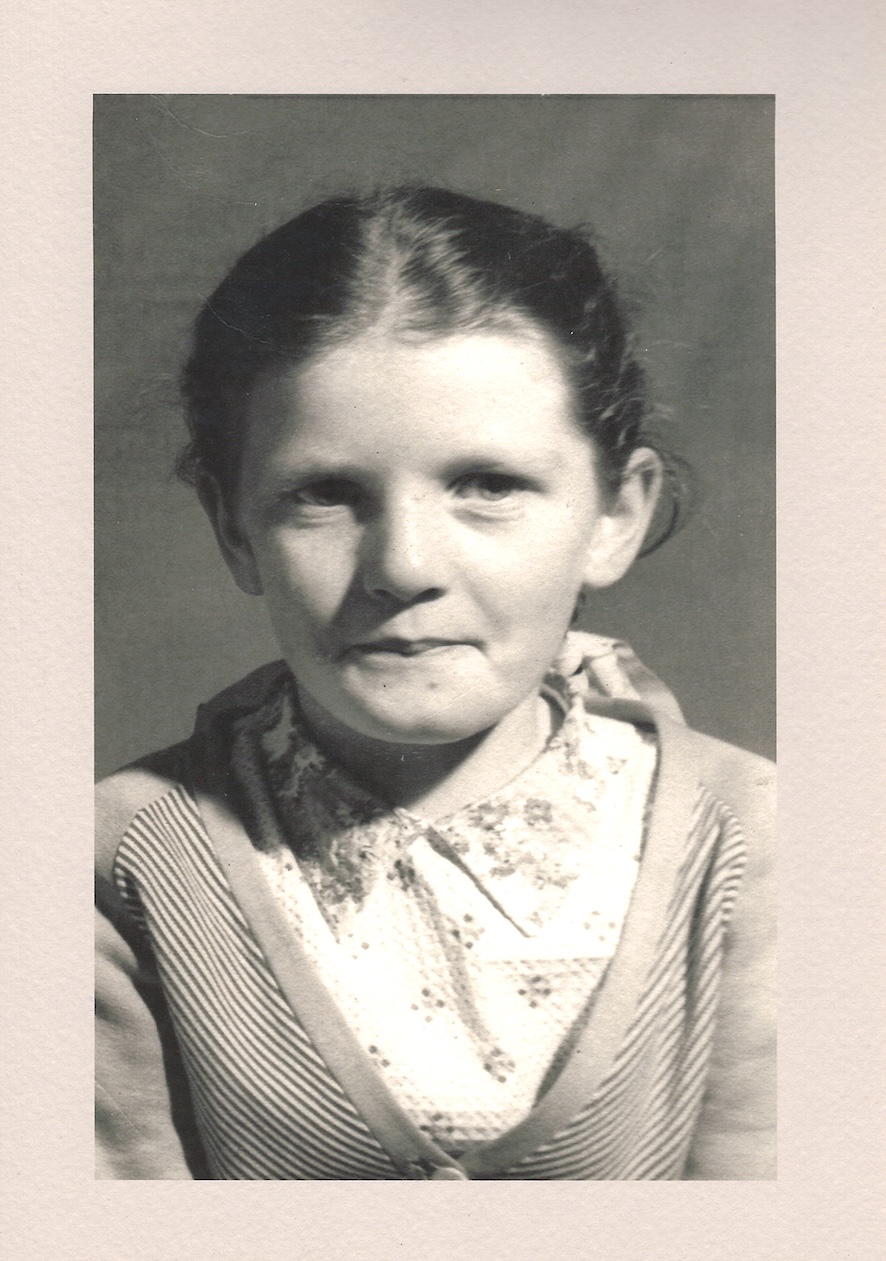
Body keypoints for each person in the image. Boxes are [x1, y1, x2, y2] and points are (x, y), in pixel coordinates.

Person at [95, 186, 775, 1180]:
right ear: (234, 528)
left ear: (613, 516)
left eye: (488, 484)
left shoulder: (756, 840)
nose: (403, 564)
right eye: (324, 494)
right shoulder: (118, 862)